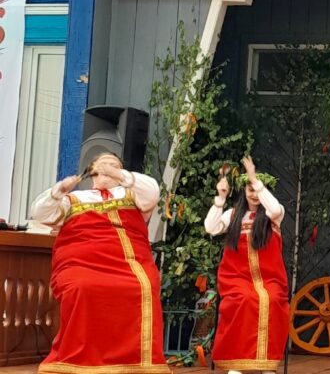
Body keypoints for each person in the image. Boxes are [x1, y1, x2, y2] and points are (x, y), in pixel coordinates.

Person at [30, 153, 171, 374]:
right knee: (81, 287)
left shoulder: (132, 193)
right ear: (92, 171)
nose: (108, 167)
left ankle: (136, 364)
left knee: (143, 285)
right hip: (82, 264)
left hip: (129, 265)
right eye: (103, 164)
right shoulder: (74, 199)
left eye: (114, 164)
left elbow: (153, 191)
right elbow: (39, 214)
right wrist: (58, 191)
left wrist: (119, 174)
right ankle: (79, 363)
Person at [204, 156, 289, 374]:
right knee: (243, 300)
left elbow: (274, 208)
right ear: (243, 191)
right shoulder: (233, 215)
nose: (254, 194)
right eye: (249, 189)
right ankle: (236, 364)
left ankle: (267, 364)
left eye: (257, 189)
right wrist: (220, 198)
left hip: (270, 280)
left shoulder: (273, 215)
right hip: (236, 279)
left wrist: (255, 179)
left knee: (271, 300)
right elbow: (211, 228)